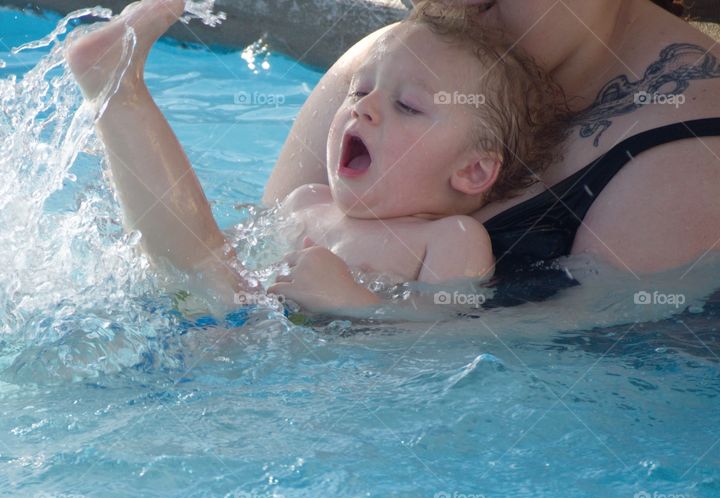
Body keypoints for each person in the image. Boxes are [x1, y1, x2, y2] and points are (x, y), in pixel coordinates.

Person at [0, 0, 564, 318]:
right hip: (212, 328)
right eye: (361, 89)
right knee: (73, 320)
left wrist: (354, 303)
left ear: (474, 172)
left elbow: (447, 339)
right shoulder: (308, 206)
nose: (362, 108)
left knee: (66, 359)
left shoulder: (451, 241)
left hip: (261, 365)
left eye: (405, 107)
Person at [264, 0, 720, 313]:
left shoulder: (694, 155)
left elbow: (586, 364)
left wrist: (358, 309)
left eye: (409, 106)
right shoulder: (383, 67)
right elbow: (230, 275)